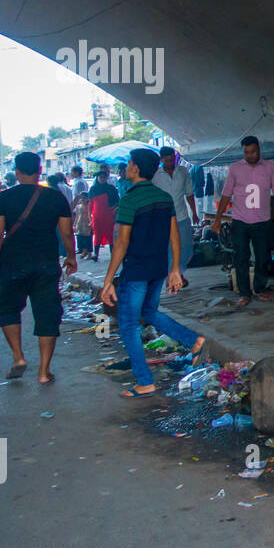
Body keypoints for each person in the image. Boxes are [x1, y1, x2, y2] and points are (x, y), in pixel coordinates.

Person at [99, 148, 205, 398]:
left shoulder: (130, 199)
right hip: (158, 268)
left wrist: (107, 281)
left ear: (136, 168)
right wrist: (174, 269)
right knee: (148, 312)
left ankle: (145, 380)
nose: (126, 166)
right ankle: (193, 341)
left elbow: (122, 243)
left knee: (127, 324)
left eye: (128, 163)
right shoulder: (163, 197)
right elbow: (174, 235)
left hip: (136, 270)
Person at [0, 152, 74, 384]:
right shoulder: (55, 197)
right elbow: (66, 232)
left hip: (13, 264)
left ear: (16, 172)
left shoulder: (2, 199)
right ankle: (44, 372)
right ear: (39, 170)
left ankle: (18, 357)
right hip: (46, 263)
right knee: (47, 313)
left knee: (8, 308)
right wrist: (72, 256)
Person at [210, 136, 274, 307]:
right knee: (241, 258)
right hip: (240, 221)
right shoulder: (235, 169)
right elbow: (226, 194)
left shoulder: (270, 168)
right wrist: (217, 219)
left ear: (259, 150)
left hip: (262, 221)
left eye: (253, 152)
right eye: (246, 152)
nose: (250, 155)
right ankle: (245, 293)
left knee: (262, 257)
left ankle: (260, 289)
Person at [152, 146, 198, 282]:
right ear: (161, 160)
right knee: (168, 248)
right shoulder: (155, 177)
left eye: (172, 160)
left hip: (182, 216)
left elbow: (189, 193)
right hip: (163, 219)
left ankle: (178, 270)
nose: (170, 163)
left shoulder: (183, 172)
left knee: (186, 246)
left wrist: (194, 212)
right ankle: (175, 275)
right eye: (167, 161)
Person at [87, 165, 119, 261]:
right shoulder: (93, 189)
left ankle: (112, 253)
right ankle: (96, 254)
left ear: (106, 178)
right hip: (97, 216)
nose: (102, 179)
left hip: (109, 215)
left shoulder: (111, 188)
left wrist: (114, 210)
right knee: (97, 234)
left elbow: (117, 202)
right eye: (100, 177)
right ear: (97, 178)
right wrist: (89, 218)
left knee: (110, 234)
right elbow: (90, 204)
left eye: (104, 177)